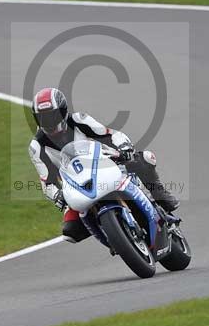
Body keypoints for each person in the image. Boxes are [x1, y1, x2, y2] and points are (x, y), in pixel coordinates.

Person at [28, 87, 180, 243]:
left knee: (143, 160)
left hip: (104, 163)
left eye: (52, 116)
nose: (49, 123)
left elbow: (110, 134)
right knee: (70, 231)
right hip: (77, 185)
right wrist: (56, 195)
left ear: (63, 111)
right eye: (43, 118)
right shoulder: (37, 146)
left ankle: (161, 199)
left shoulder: (79, 120)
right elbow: (46, 181)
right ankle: (112, 239)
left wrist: (124, 147)